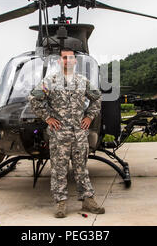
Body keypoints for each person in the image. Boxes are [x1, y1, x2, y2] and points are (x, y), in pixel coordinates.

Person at [28, 49, 105, 218]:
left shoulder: (82, 81)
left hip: (79, 133)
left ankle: (87, 199)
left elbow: (97, 98)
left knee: (81, 168)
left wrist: (89, 117)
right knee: (58, 170)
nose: (67, 60)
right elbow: (33, 98)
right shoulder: (50, 81)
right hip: (59, 134)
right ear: (59, 61)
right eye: (64, 58)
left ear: (75, 62)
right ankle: (60, 202)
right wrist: (48, 117)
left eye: (70, 58)